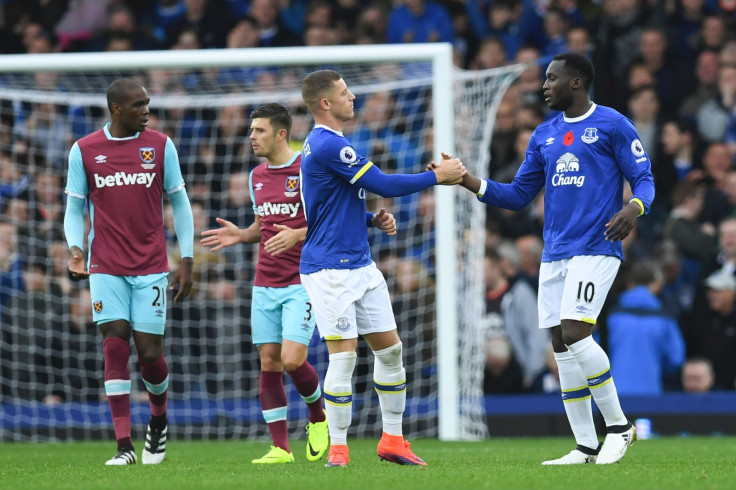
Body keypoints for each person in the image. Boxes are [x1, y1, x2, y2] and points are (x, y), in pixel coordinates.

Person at [448, 53, 655, 465]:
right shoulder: (543, 134)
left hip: (596, 248)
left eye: (551, 78)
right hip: (555, 253)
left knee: (577, 332)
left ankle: (619, 427)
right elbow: (518, 194)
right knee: (561, 345)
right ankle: (584, 445)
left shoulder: (612, 124)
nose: (543, 85)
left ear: (576, 82)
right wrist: (467, 180)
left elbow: (645, 178)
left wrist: (633, 209)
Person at [299, 69, 465, 467]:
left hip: (360, 263)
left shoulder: (334, 144)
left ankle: (392, 440)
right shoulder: (326, 145)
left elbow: (332, 204)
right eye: (343, 92)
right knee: (344, 358)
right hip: (329, 268)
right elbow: (384, 184)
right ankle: (338, 448)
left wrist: (371, 220)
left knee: (391, 352)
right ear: (325, 103)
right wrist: (435, 176)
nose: (352, 96)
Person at [63, 78, 194, 466]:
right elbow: (74, 209)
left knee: (150, 354)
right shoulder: (85, 150)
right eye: (138, 105)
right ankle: (124, 446)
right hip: (105, 263)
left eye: (147, 104)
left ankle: (158, 419)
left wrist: (186, 258)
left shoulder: (160, 145)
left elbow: (180, 202)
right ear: (116, 109)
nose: (146, 111)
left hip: (152, 264)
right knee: (115, 343)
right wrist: (76, 248)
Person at [200, 103, 331, 464]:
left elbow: (333, 220)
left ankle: (318, 417)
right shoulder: (256, 176)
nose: (252, 136)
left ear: (281, 133)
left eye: (259, 130)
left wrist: (298, 235)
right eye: (251, 129)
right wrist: (243, 235)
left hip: (302, 280)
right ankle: (280, 448)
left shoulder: (308, 169)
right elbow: (266, 226)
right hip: (264, 282)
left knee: (292, 359)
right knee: (269, 362)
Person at [606, 260, 685, 395]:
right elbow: (676, 358)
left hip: (613, 395)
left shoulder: (612, 317)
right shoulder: (664, 320)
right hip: (651, 394)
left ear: (629, 285)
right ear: (657, 284)